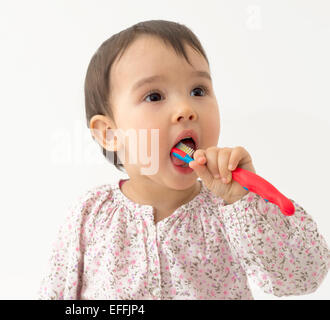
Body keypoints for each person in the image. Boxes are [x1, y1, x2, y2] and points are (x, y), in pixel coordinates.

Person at [37, 20, 330, 299]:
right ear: (110, 133)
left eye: (198, 90)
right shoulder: (90, 214)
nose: (186, 108)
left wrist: (244, 201)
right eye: (154, 96)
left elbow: (305, 276)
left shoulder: (232, 210)